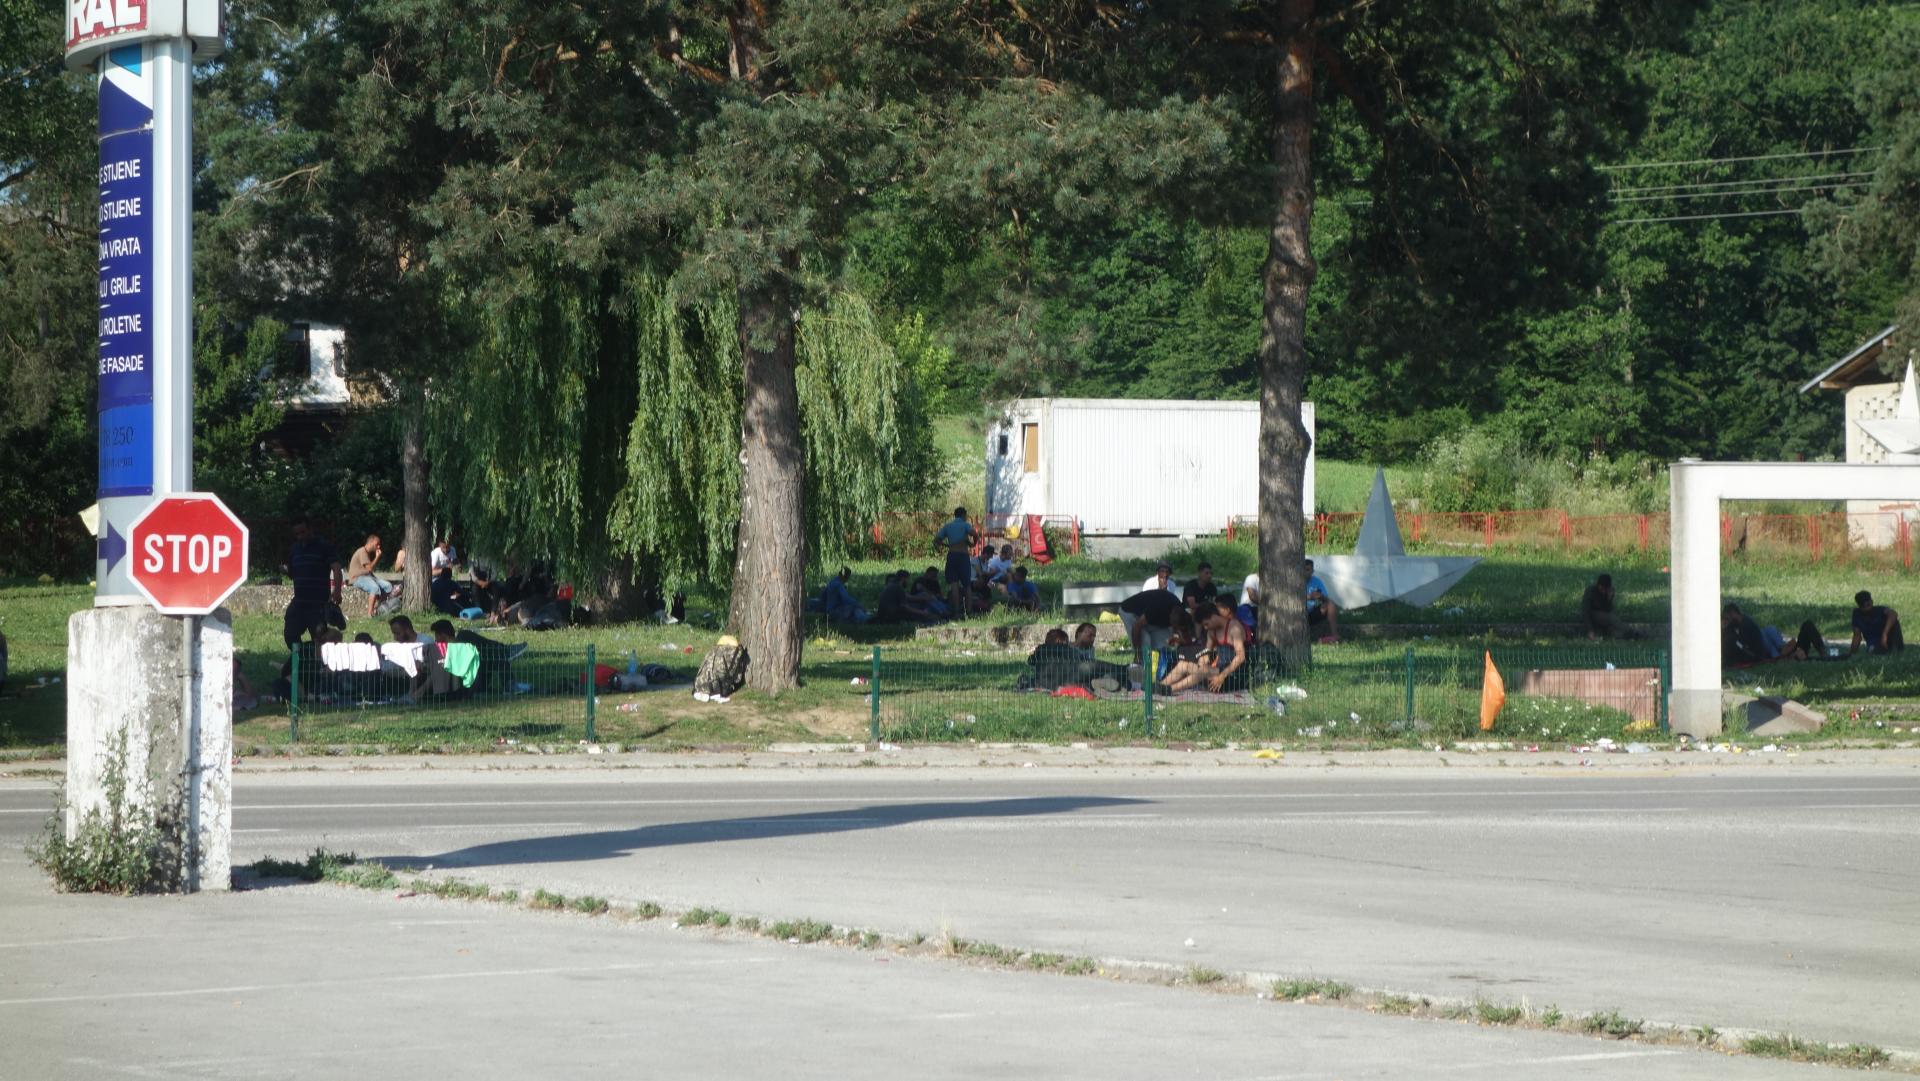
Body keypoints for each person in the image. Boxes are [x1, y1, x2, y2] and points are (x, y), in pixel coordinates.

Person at [283, 518, 343, 649]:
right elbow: (293, 573)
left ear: (311, 529)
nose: (300, 536)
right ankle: (301, 657)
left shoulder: (324, 547)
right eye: (297, 534)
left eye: (303, 532)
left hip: (318, 604)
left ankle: (316, 659)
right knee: (290, 634)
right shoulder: (294, 549)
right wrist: (286, 570)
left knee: (319, 638)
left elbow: (336, 568)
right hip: (299, 602)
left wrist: (337, 591)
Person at [933, 507, 980, 621]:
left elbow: (936, 540)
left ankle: (956, 613)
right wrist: (973, 544)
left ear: (955, 515)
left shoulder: (948, 526)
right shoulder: (965, 525)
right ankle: (969, 612)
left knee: (954, 585)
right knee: (967, 585)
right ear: (963, 515)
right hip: (963, 556)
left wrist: (947, 546)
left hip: (952, 556)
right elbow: (974, 533)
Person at [1119, 585, 1182, 660]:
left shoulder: (1181, 611)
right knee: (1145, 641)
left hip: (1149, 615)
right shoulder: (1157, 609)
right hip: (1129, 611)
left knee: (1164, 641)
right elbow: (1136, 627)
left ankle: (1160, 664)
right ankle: (1141, 664)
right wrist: (1138, 654)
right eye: (1173, 625)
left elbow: (1178, 634)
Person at [345, 533, 400, 618]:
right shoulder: (362, 551)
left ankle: (381, 608)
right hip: (357, 578)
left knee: (388, 586)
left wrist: (375, 579)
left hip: (367, 577)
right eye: (377, 544)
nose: (378, 546)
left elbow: (368, 571)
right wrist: (377, 557)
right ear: (370, 542)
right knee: (374, 587)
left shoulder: (367, 553)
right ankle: (370, 614)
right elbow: (369, 568)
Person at [1071, 622, 1127, 692]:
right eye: (1090, 635)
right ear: (1079, 634)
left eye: (1094, 636)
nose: (1092, 639)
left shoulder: (1091, 649)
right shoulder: (1069, 648)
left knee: (1112, 674)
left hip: (1092, 674)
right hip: (1078, 675)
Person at [1850, 590, 1904, 655]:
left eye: (1868, 605)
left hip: (1888, 640)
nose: (1867, 609)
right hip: (1874, 644)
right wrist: (1852, 653)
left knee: (1894, 622)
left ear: (1871, 602)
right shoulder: (1857, 614)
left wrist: (1885, 634)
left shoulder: (1880, 610)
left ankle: (1895, 648)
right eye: (1864, 606)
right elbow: (1857, 635)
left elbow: (1893, 614)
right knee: (1874, 650)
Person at [1581, 574, 1630, 640]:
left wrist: (1609, 599)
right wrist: (1590, 630)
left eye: (1605, 589)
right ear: (1598, 585)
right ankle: (1632, 632)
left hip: (1604, 616)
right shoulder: (1590, 591)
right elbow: (1585, 612)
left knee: (1616, 632)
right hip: (1593, 614)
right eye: (1602, 589)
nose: (1603, 591)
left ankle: (1629, 635)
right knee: (1611, 618)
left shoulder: (1609, 591)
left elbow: (1608, 609)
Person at [1305, 559, 1339, 641]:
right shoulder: (1294, 581)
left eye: (1307, 569)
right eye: (1303, 569)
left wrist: (1321, 597)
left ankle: (1334, 636)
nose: (1305, 572)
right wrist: (1309, 597)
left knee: (1331, 604)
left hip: (1312, 612)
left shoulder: (1317, 581)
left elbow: (1326, 598)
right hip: (1298, 613)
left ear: (1312, 571)